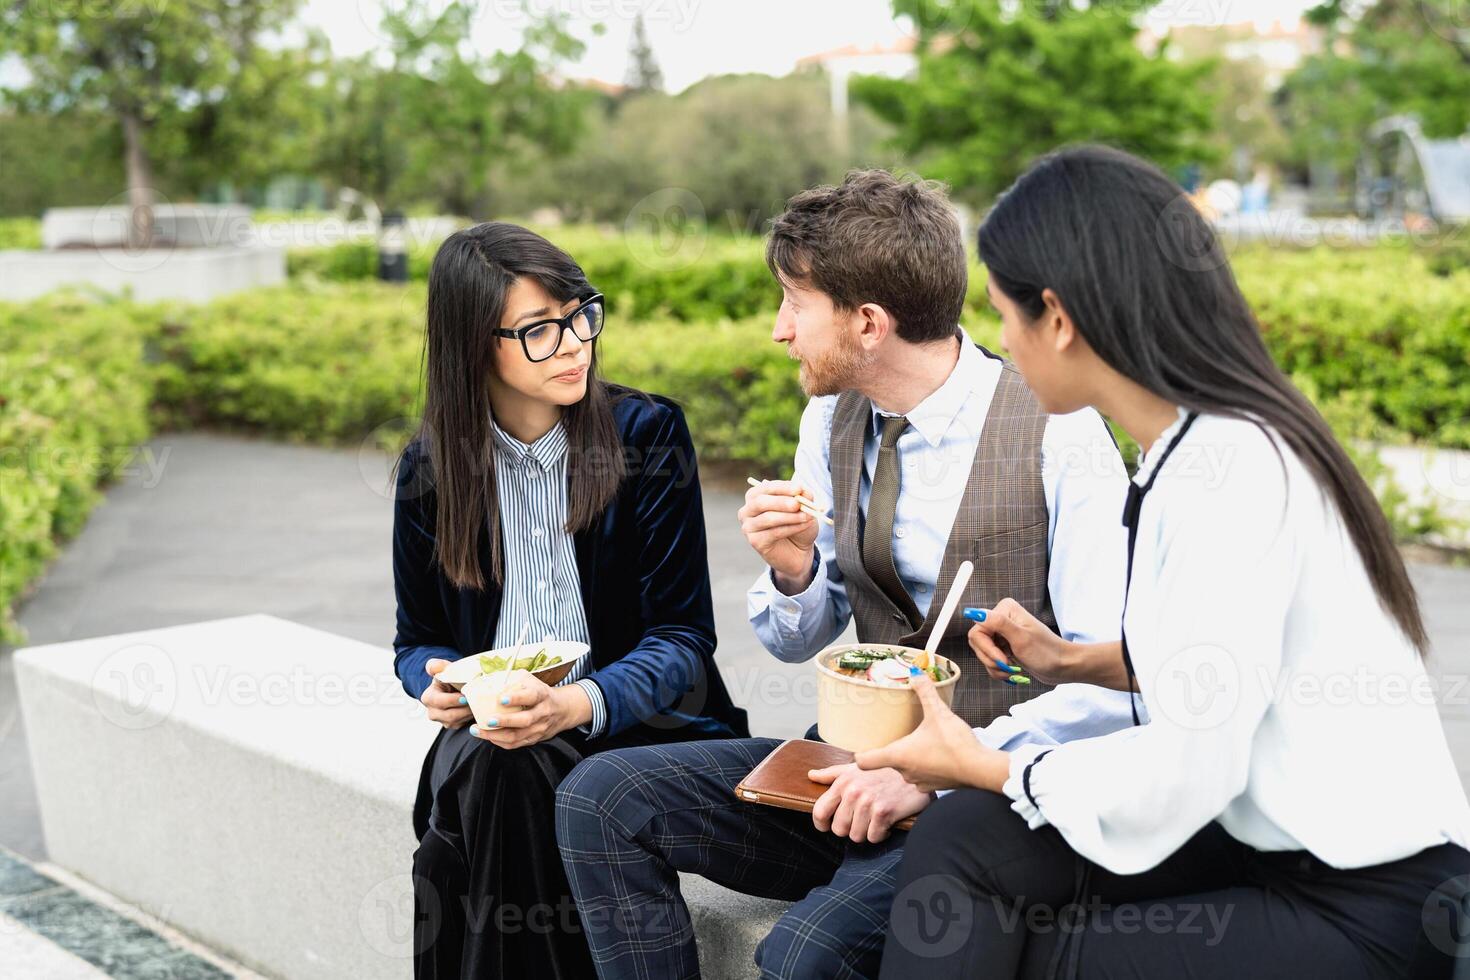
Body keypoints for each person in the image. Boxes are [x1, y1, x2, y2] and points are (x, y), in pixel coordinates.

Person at [857, 145, 1470, 979]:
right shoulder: (1192, 447)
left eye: (1004, 315)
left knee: (1041, 948)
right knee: (969, 838)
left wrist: (985, 764)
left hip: (1371, 901)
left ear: (1061, 319)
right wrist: (1075, 662)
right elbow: (1231, 668)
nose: (998, 343)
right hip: (1256, 840)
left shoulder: (1233, 470)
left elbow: (1192, 765)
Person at [554, 170, 1137, 979]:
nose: (778, 330)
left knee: (802, 959)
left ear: (868, 323)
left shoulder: (1061, 435)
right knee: (599, 798)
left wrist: (939, 777)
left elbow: (1114, 689)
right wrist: (793, 572)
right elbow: (799, 640)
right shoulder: (830, 414)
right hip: (851, 771)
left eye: (795, 304)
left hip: (985, 797)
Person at [391, 222, 749, 979]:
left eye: (582, 314)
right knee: (506, 762)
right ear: (471, 344)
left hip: (638, 724)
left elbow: (683, 640)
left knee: (509, 775)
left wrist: (574, 702)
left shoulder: (644, 436)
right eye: (539, 331)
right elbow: (416, 640)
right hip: (499, 725)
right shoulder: (431, 468)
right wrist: (442, 680)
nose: (575, 343)